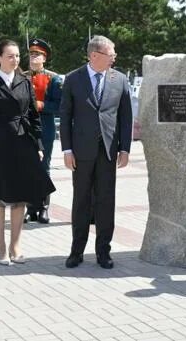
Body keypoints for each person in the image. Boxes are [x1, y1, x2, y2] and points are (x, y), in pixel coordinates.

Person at [0, 39, 55, 265]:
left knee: (20, 197)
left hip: (22, 143)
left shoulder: (25, 81)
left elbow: (33, 115)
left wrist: (38, 145)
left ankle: (15, 245)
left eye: (18, 56)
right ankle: (0, 246)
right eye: (10, 56)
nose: (15, 60)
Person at [59, 35, 132, 269]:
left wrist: (125, 149)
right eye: (111, 54)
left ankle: (103, 251)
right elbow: (66, 116)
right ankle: (76, 251)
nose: (114, 57)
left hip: (108, 151)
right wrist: (67, 150)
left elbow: (125, 117)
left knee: (105, 201)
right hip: (81, 151)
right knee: (81, 200)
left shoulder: (119, 80)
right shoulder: (73, 79)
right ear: (94, 56)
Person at [23, 38, 63, 224]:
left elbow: (59, 105)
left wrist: (41, 104)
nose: (33, 57)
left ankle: (44, 207)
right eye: (31, 54)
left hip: (44, 126)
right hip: (24, 128)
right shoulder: (21, 76)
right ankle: (31, 208)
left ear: (44, 58)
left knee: (43, 168)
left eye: (37, 54)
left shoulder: (53, 78)